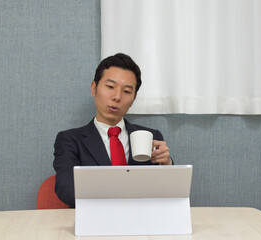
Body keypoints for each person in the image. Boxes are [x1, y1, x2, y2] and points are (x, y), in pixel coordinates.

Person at [53, 53, 172, 207]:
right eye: (110, 87)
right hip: (93, 221)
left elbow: (167, 192)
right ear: (94, 89)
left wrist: (167, 165)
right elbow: (66, 189)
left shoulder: (151, 137)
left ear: (134, 98)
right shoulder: (70, 140)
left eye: (127, 91)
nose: (117, 97)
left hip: (141, 221)